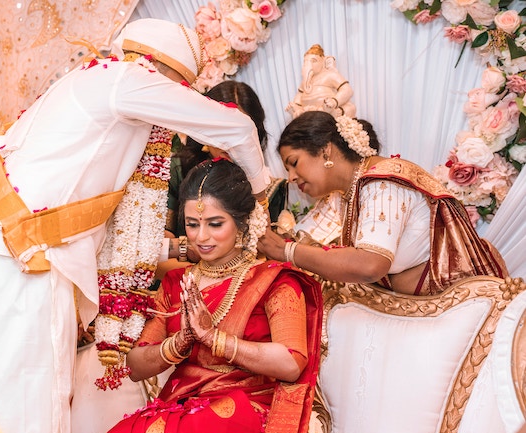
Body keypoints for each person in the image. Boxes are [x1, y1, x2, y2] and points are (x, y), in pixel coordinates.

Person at [0, 18, 270, 433]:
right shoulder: (126, 79)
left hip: (1, 257)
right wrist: (259, 191)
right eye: (178, 87)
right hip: (19, 259)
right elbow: (237, 129)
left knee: (0, 403)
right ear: (162, 70)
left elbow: (106, 226)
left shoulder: (87, 85)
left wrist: (173, 248)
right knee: (21, 406)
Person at [82, 159, 323, 433]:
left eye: (215, 223)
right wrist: (178, 343)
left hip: (248, 405)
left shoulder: (274, 282)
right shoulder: (177, 283)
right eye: (193, 225)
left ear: (242, 223)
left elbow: (291, 363)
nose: (202, 237)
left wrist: (214, 338)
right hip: (180, 407)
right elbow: (137, 365)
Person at [258, 111, 507, 295]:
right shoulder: (344, 193)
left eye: (294, 162)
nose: (290, 178)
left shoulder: (382, 183)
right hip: (417, 310)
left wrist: (286, 251)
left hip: (458, 307)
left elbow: (369, 265)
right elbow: (304, 238)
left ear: (325, 151)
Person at [166, 80, 287, 238]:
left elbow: (266, 244)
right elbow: (157, 241)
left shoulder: (271, 188)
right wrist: (190, 249)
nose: (230, 143)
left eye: (240, 133)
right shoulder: (177, 170)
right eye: (223, 130)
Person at [285, 44, 356, 119]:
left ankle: (332, 114)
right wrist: (296, 106)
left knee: (350, 108)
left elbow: (347, 90)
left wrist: (334, 101)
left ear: (323, 61)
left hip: (328, 108)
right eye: (306, 62)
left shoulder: (330, 75)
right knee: (298, 114)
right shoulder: (306, 80)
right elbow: (299, 95)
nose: (309, 65)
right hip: (308, 112)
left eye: (313, 61)